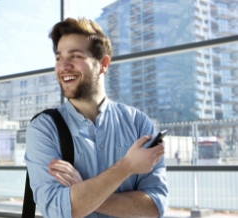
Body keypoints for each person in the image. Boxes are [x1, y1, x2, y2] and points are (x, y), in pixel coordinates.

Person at [25, 17, 168, 218]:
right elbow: (58, 209)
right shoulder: (43, 129)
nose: (63, 66)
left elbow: (154, 207)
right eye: (58, 58)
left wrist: (83, 191)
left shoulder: (138, 124)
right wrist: (127, 166)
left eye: (75, 56)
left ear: (103, 64)